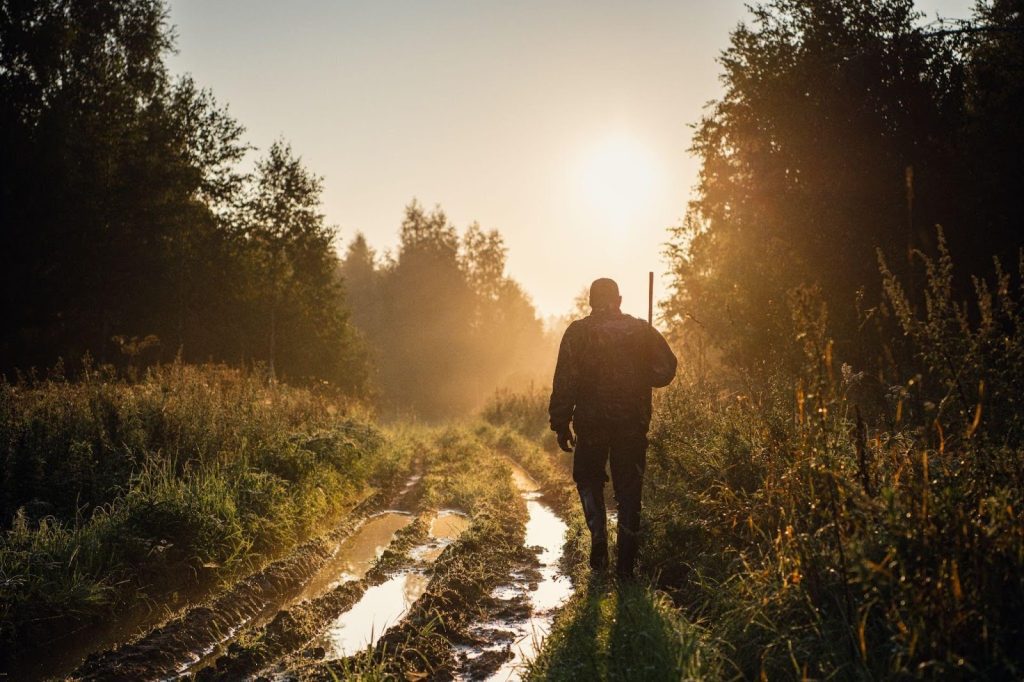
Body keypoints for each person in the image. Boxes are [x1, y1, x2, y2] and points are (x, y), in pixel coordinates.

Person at [548, 277, 677, 580]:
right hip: (631, 423)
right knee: (630, 490)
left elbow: (565, 379)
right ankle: (626, 567)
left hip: (591, 423)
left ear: (591, 301)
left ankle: (598, 540)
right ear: (619, 300)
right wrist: (643, 370)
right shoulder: (641, 330)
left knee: (588, 479)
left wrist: (560, 422)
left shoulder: (578, 333)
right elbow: (666, 369)